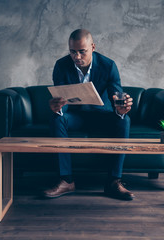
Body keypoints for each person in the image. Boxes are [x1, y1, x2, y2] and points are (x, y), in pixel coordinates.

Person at [44, 29, 134, 201]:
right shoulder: (61, 65)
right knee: (57, 119)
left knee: (124, 120)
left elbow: (116, 94)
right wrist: (57, 107)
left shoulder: (109, 65)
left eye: (82, 51)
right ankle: (66, 180)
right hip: (75, 117)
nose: (77, 56)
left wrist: (120, 107)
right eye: (72, 52)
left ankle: (114, 181)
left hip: (101, 116)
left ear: (93, 47)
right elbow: (60, 98)